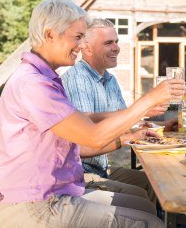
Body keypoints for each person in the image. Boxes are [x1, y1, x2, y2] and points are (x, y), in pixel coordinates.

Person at [0, 0, 185, 227]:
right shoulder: (34, 84)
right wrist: (146, 100)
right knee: (149, 223)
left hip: (56, 192)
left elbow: (82, 119)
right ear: (50, 34)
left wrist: (143, 110)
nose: (81, 45)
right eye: (77, 37)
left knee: (144, 205)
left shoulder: (43, 77)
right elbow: (93, 137)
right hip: (38, 206)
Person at [61, 18, 162, 204]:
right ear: (87, 48)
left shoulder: (110, 79)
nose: (116, 48)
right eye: (108, 43)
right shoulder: (77, 79)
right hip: (80, 174)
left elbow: (123, 122)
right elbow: (84, 128)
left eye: (116, 42)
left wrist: (157, 125)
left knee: (158, 183)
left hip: (102, 169)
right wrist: (140, 109)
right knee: (143, 197)